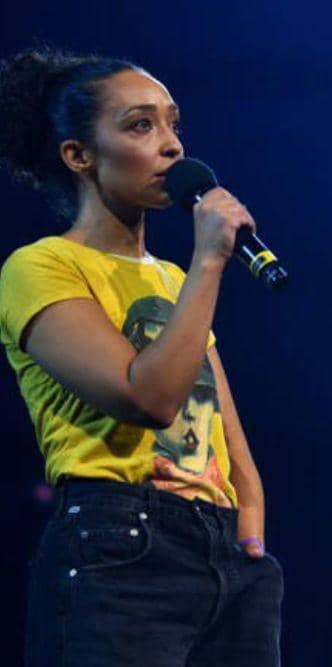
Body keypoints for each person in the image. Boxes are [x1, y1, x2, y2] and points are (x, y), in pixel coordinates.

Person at [0, 49, 282, 665]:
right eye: (140, 125)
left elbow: (220, 423)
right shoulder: (41, 267)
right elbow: (149, 399)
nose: (173, 145)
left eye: (173, 123)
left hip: (222, 552)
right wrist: (210, 260)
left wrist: (249, 518)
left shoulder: (177, 280)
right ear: (79, 156)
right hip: (119, 544)